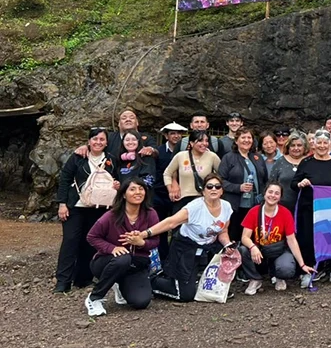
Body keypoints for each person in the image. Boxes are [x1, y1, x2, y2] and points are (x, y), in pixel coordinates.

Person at [140, 173, 233, 302]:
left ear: (222, 190)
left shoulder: (226, 206)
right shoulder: (194, 207)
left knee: (213, 289)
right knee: (185, 295)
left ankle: (194, 278)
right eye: (209, 186)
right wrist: (145, 234)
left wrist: (227, 245)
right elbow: (171, 222)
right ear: (203, 191)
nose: (213, 189)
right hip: (185, 248)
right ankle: (152, 281)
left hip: (208, 249)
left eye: (217, 187)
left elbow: (223, 231)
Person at [54, 127, 120, 293]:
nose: (98, 142)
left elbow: (118, 179)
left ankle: (83, 278)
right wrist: (62, 203)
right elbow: (65, 179)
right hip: (76, 206)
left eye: (102, 139)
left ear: (107, 142)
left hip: (100, 207)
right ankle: (62, 281)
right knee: (70, 241)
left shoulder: (111, 160)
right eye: (95, 139)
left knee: (90, 243)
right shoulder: (78, 157)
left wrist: (117, 186)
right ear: (89, 141)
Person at [84, 178, 160, 316]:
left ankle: (118, 284)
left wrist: (141, 243)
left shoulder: (151, 214)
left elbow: (155, 241)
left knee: (141, 302)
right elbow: (92, 236)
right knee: (123, 259)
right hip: (107, 262)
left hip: (136, 265)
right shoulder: (112, 215)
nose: (138, 192)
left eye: (141, 189)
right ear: (124, 194)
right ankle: (94, 298)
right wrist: (112, 248)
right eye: (132, 189)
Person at [292, 130, 331, 288]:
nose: (322, 146)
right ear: (314, 144)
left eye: (326, 143)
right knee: (308, 239)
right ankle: (308, 270)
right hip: (309, 208)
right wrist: (301, 183)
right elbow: (293, 183)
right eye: (319, 143)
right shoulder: (306, 162)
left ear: (330, 144)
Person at [239, 183, 314, 294]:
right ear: (264, 193)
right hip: (259, 251)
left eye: (277, 193)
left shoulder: (285, 213)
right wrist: (253, 246)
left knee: (286, 269)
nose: (273, 195)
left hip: (278, 250)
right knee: (243, 250)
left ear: (280, 197)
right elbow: (244, 237)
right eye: (270, 192)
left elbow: (292, 240)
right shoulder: (254, 211)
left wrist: (302, 264)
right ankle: (255, 279)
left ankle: (278, 276)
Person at [218, 127, 269, 242]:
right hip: (236, 206)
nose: (246, 140)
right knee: (234, 235)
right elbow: (220, 181)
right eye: (243, 137)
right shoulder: (228, 158)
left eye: (249, 137)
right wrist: (238, 187)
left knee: (254, 236)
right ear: (236, 141)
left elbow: (265, 180)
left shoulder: (258, 157)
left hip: (255, 205)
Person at [163, 130, 222, 212]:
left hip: (204, 200)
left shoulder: (212, 156)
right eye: (200, 141)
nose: (204, 143)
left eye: (206, 141)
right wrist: (171, 189)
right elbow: (167, 173)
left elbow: (222, 175)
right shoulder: (180, 156)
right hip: (183, 200)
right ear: (191, 143)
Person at [153, 122, 185, 261]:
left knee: (179, 229)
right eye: (172, 133)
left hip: (180, 196)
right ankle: (163, 259)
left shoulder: (186, 152)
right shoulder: (158, 152)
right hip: (160, 195)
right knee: (160, 228)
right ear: (166, 135)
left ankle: (176, 259)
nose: (176, 136)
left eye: (178, 133)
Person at [73, 109, 158, 159]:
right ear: (118, 124)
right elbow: (97, 145)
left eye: (131, 118)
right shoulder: (109, 137)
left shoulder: (147, 138)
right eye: (124, 118)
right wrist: (86, 147)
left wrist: (150, 150)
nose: (128, 119)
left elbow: (156, 151)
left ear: (137, 122)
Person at [269, 131, 308, 213]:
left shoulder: (309, 162)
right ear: (288, 147)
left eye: (299, 145)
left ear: (304, 147)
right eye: (293, 145)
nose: (296, 148)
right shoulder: (280, 162)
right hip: (281, 208)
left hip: (305, 208)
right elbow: (271, 183)